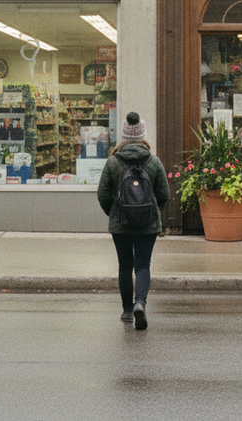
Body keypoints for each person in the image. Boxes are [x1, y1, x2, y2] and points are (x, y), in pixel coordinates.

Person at [97, 111, 169, 330]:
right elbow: (164, 195)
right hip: (147, 225)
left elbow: (103, 194)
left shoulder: (113, 161)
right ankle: (140, 303)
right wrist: (152, 213)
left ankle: (127, 310)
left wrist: (116, 213)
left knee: (125, 265)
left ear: (124, 136)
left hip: (121, 225)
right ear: (142, 134)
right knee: (143, 265)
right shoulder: (153, 161)